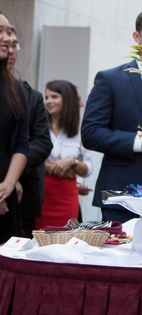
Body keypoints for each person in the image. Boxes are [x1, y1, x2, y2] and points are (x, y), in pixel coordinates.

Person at [81, 6, 142, 223]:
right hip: (122, 194)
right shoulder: (111, 79)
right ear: (137, 37)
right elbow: (91, 133)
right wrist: (140, 141)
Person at [7, 26, 53, 236]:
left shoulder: (30, 96)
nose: (10, 50)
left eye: (14, 45)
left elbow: (42, 142)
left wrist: (13, 173)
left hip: (24, 189)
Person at [38, 80, 94, 229]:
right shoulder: (39, 126)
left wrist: (72, 161)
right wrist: (51, 167)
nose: (49, 101)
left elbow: (88, 169)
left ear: (67, 99)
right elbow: (30, 157)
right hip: (41, 193)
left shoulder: (79, 132)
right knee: (38, 237)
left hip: (67, 196)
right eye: (47, 97)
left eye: (54, 97)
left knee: (65, 239)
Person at [0, 12, 29, 241]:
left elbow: (22, 143)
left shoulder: (16, 89)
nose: (7, 37)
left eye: (8, 31)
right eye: (0, 31)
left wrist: (8, 185)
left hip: (4, 192)